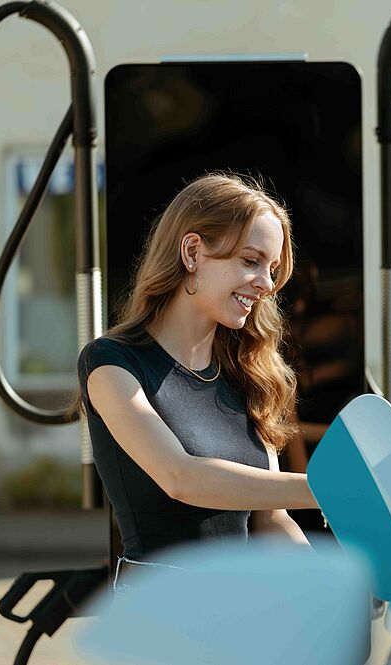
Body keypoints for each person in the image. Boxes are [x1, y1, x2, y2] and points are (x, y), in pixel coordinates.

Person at [74, 173, 316, 580]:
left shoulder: (246, 375)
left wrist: (331, 584)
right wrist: (327, 491)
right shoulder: (111, 363)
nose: (267, 283)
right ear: (191, 252)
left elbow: (271, 520)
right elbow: (180, 477)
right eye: (250, 260)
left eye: (273, 269)